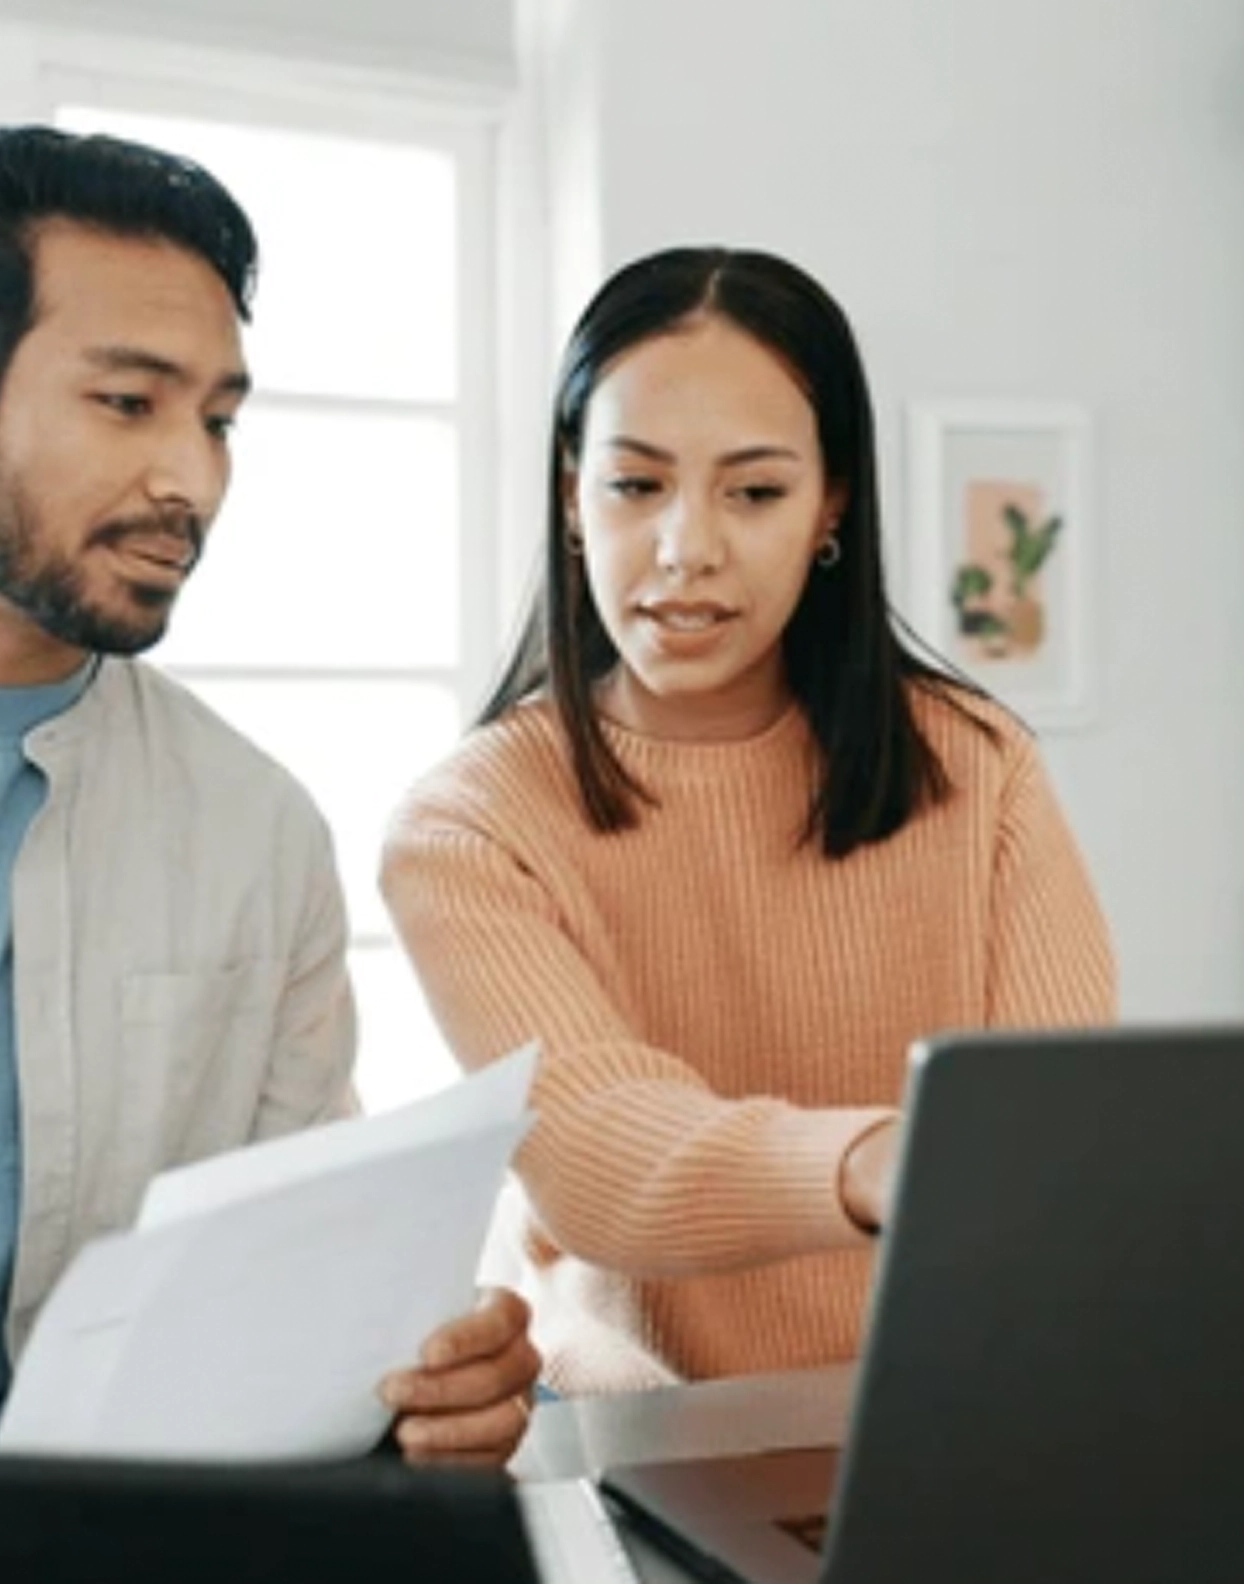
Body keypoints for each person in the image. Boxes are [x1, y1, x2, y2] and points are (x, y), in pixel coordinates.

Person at [0, 125, 538, 1531]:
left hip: (93, 1540)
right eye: (130, 404)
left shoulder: (256, 832)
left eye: (220, 418)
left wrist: (422, 1384)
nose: (192, 479)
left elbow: (298, 1291)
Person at [380, 245, 1116, 1396]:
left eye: (755, 491)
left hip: (956, 1414)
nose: (686, 549)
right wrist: (880, 1159)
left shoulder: (980, 769)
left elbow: (1048, 1147)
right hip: (635, 1444)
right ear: (573, 496)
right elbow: (598, 1159)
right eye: (635, 485)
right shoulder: (469, 824)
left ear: (832, 506)